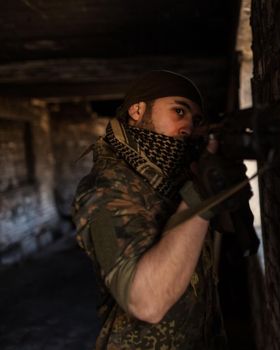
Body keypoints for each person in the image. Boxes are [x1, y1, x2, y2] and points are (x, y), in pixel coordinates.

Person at [73, 70, 230, 349]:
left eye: (196, 120)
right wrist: (201, 193)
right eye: (178, 111)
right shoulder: (102, 191)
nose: (188, 127)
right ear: (137, 110)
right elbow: (146, 302)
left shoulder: (169, 179)